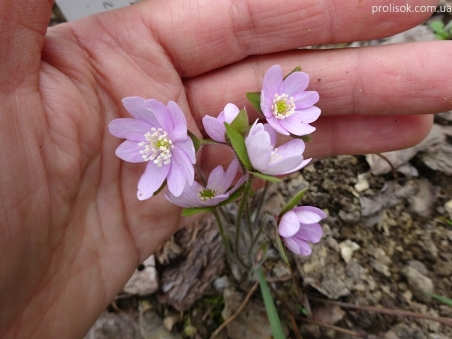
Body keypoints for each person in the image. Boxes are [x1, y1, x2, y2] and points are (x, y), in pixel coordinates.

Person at [0, 0, 450, 337]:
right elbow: (161, 149)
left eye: (160, 138)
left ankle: (247, 276)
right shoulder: (164, 139)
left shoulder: (258, 119)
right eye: (156, 141)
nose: (159, 142)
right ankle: (237, 278)